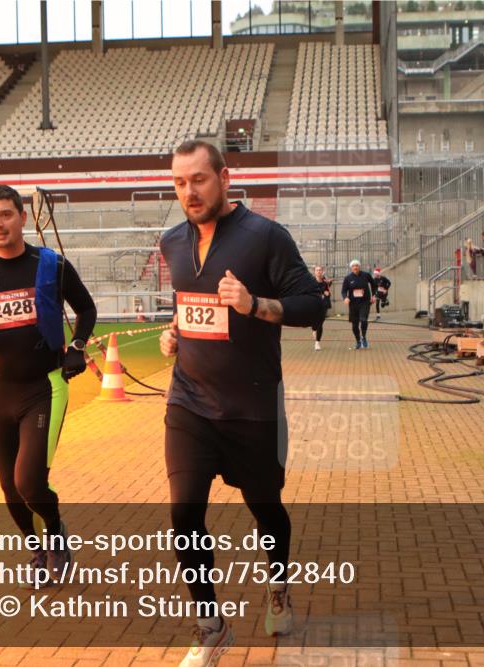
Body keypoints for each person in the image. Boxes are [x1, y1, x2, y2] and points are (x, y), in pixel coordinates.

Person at [158, 140, 323, 666]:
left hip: (253, 408)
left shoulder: (266, 237)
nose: (189, 192)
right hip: (189, 403)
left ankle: (278, 588)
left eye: (199, 180)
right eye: (180, 183)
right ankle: (212, 627)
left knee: (266, 509)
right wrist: (176, 333)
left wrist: (255, 305)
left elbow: (313, 305)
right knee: (183, 515)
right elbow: (195, 308)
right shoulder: (171, 243)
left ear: (225, 178)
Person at [0, 184, 96, 586]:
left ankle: (55, 531)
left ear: (22, 217)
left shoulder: (53, 265)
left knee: (28, 480)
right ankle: (37, 548)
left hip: (44, 387)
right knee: (8, 487)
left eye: (5, 215)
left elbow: (85, 309)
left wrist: (77, 348)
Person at [340, 259, 375, 349]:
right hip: (353, 304)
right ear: (351, 268)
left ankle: (363, 337)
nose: (355, 267)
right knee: (354, 325)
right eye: (353, 266)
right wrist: (345, 297)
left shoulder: (366, 275)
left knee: (363, 320)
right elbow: (344, 291)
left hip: (365, 302)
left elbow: (373, 284)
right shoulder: (348, 278)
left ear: (359, 267)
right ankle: (358, 341)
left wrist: (374, 295)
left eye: (357, 265)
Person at [312, 265, 332, 350]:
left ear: (322, 271)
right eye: (317, 270)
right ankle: (314, 329)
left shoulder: (325, 283)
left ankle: (317, 343)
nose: (319, 272)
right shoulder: (311, 282)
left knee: (320, 323)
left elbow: (328, 292)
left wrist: (327, 293)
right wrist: (322, 292)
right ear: (314, 272)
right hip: (313, 305)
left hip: (323, 305)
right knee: (314, 322)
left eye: (320, 270)